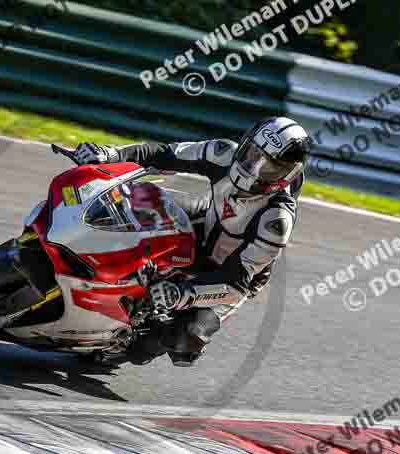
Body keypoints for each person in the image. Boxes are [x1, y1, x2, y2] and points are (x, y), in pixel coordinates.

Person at [72, 117, 311, 367]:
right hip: (207, 225)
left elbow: (235, 284)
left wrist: (181, 294)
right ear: (245, 144)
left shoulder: (276, 220)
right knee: (140, 202)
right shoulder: (222, 153)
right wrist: (109, 154)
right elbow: (164, 154)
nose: (254, 168)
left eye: (269, 168)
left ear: (285, 176)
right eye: (253, 154)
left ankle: (129, 345)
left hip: (227, 276)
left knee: (187, 336)